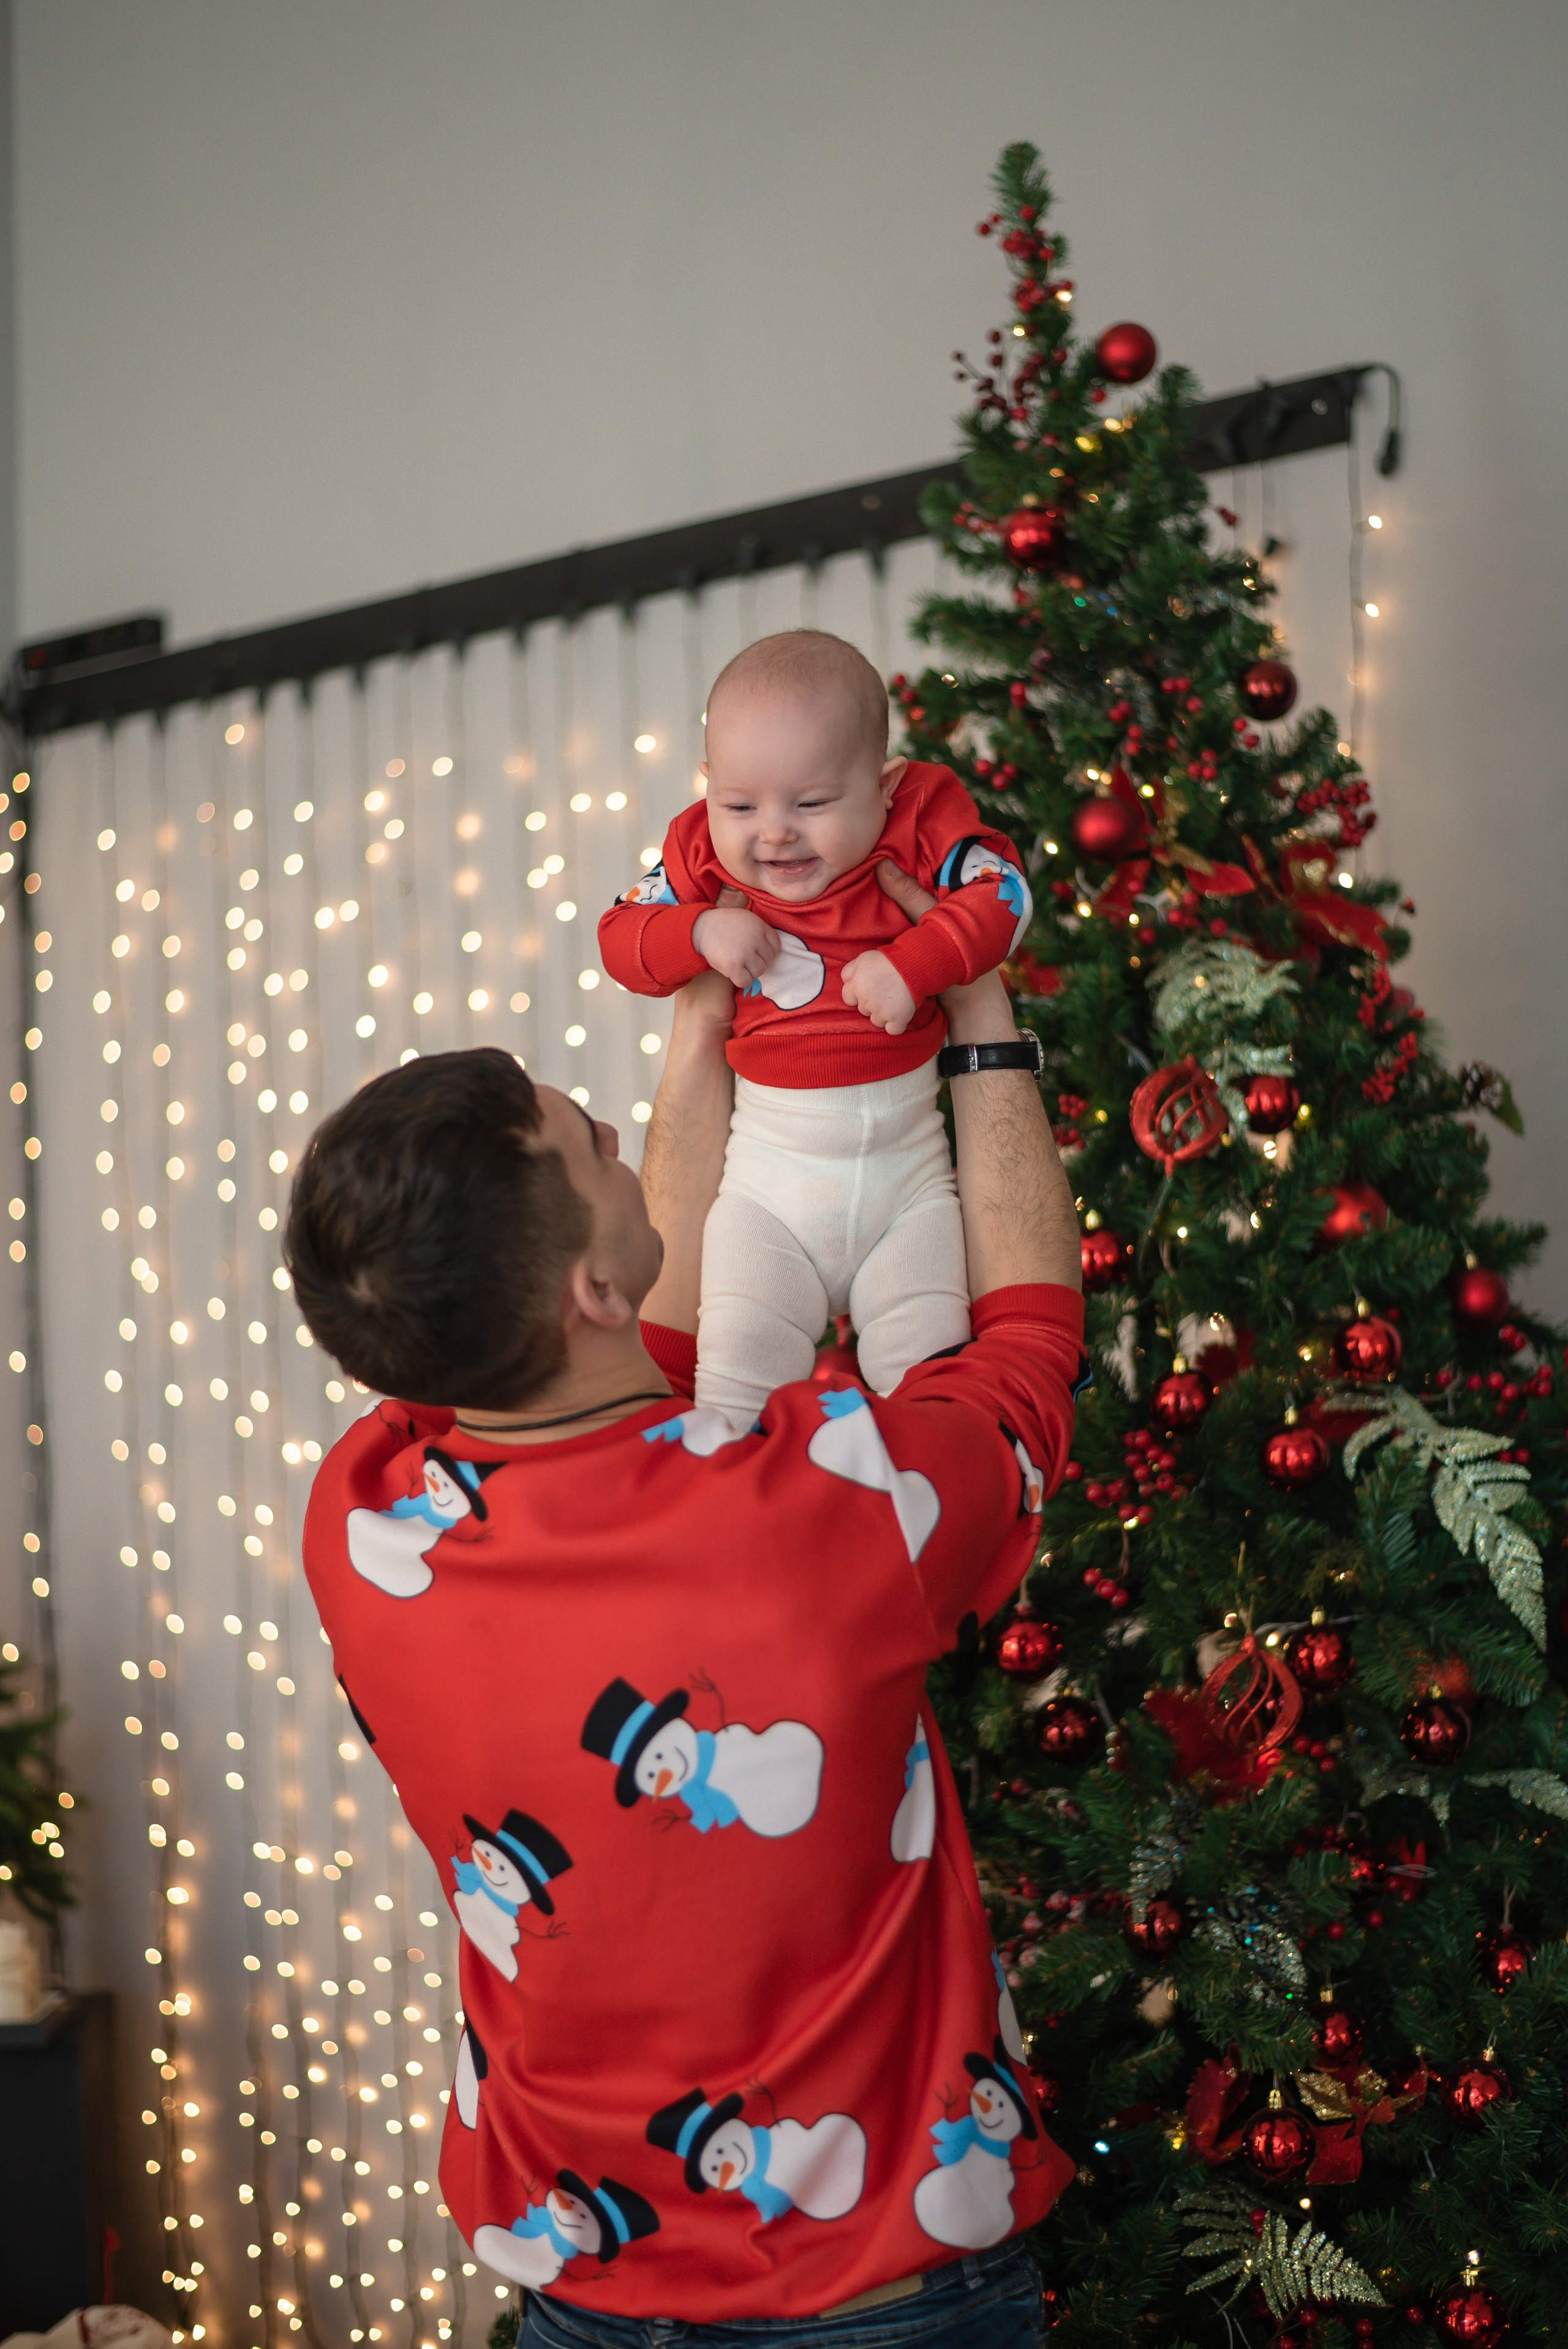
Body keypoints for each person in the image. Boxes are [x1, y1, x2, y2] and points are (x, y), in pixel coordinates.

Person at [287, 863, 1083, 2349]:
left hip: (576, 2288)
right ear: (585, 1288)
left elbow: (624, 1352)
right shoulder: (829, 1505)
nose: (614, 1136)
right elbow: (1028, 1353)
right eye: (589, 1142)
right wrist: (974, 1003)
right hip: (880, 2299)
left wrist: (704, 1013)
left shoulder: (363, 1513)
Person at [598, 630, 1032, 1425]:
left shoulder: (921, 818)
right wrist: (698, 930)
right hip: (766, 1196)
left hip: (909, 1191)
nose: (774, 832)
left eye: (812, 803)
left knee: (934, 1396)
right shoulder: (699, 853)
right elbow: (618, 938)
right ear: (708, 789)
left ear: (885, 786)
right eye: (739, 805)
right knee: (733, 1392)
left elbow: (1005, 895)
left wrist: (918, 963)